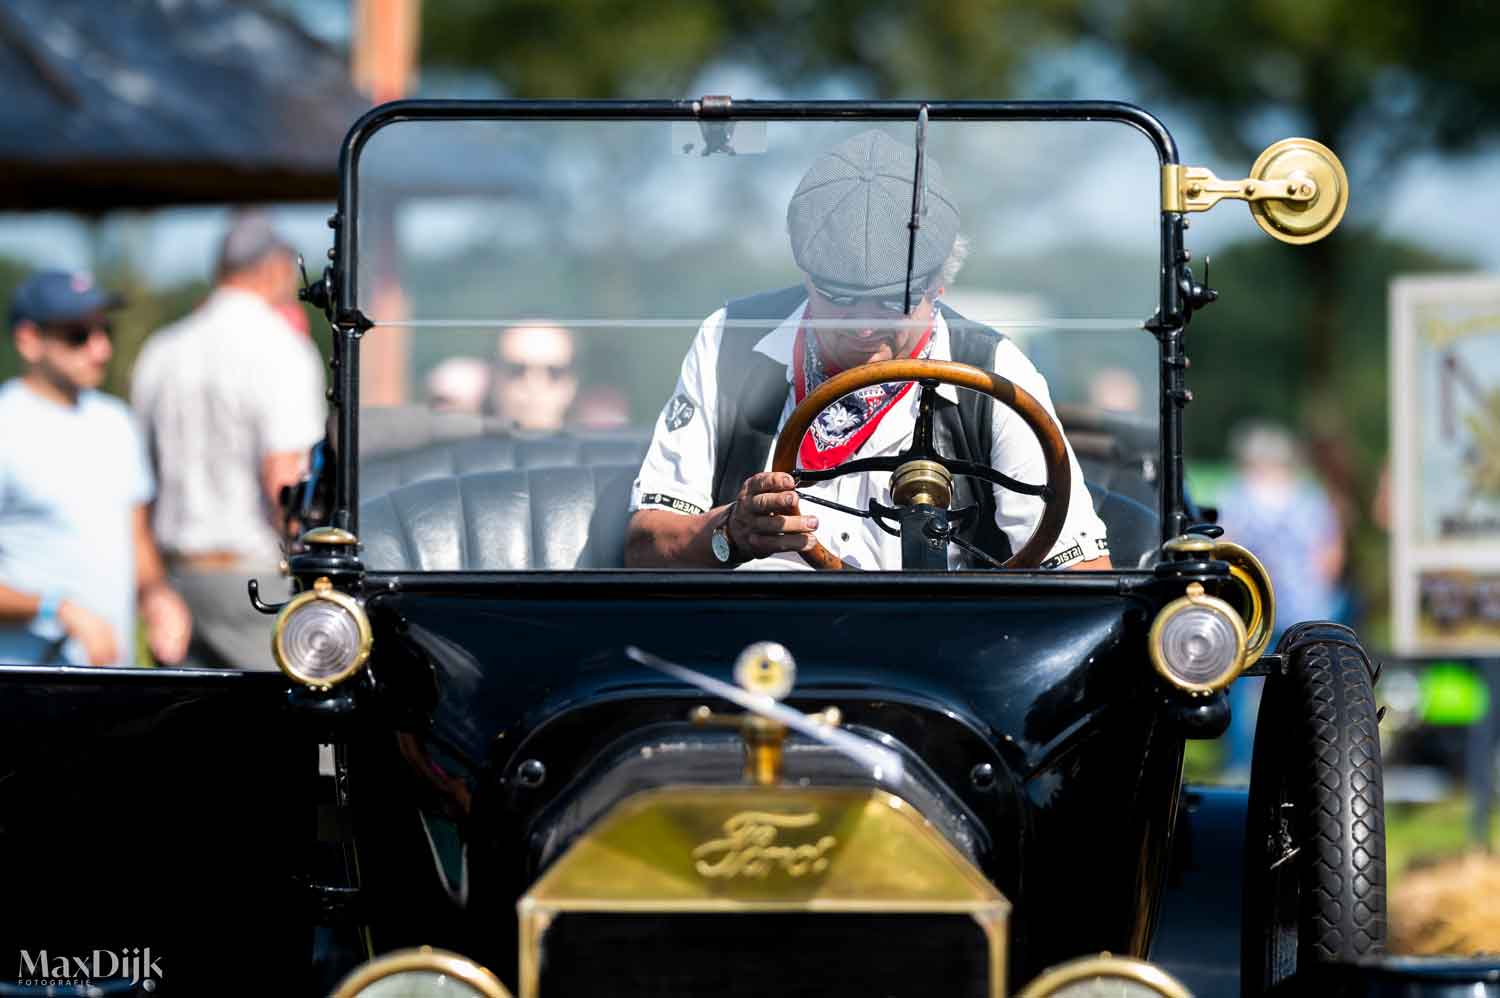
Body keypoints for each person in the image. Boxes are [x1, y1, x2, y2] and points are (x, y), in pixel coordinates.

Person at [625, 129, 1110, 571]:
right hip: (758, 645)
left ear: (940, 282)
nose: (863, 325)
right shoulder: (730, 340)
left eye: (892, 300)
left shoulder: (994, 373)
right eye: (838, 296)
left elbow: (1081, 575)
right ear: (806, 274)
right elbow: (646, 546)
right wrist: (731, 529)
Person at [131, 210, 327, 670]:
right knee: (272, 736)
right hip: (253, 579)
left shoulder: (162, 349)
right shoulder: (281, 347)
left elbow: (139, 485)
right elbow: (285, 480)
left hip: (177, 578)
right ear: (274, 267)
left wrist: (151, 587)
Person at [0, 271, 191, 667]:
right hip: (24, 685)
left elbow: (136, 539)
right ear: (28, 341)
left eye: (105, 331)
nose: (100, 349)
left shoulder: (117, 422)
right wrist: (55, 608)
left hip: (110, 679)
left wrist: (157, 597)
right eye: (78, 335)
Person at [1216, 421, 1348, 779]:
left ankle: (1241, 764)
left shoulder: (1238, 497)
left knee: (1244, 685)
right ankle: (1312, 760)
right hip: (1307, 606)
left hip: (1257, 609)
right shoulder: (1310, 498)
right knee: (1310, 684)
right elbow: (1330, 556)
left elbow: (1227, 548)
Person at [490, 323, 579, 431]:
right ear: (494, 377)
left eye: (553, 372)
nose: (534, 385)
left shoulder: (597, 445)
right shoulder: (467, 445)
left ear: (572, 383)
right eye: (517, 370)